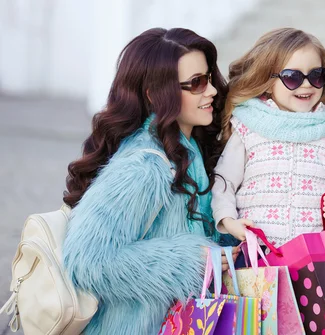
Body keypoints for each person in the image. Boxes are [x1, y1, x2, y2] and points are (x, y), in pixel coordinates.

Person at [62, 27, 238, 334]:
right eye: (196, 83)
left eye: (208, 78)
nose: (210, 90)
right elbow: (85, 260)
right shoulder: (145, 165)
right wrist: (186, 261)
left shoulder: (188, 149)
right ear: (155, 95)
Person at [211, 28, 325, 246]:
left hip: (317, 256)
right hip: (262, 254)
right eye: (292, 77)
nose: (306, 84)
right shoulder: (249, 127)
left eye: (316, 75)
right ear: (267, 82)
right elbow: (225, 182)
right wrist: (229, 221)